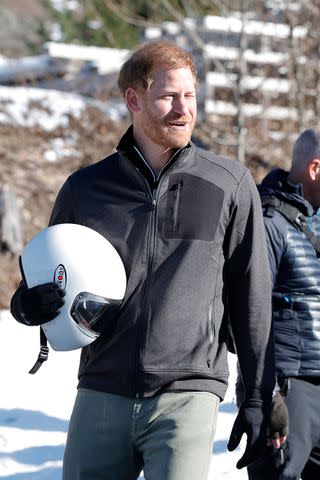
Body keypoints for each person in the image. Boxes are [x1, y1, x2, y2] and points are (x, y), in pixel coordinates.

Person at [10, 40, 275, 480]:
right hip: (101, 388)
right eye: (169, 96)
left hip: (187, 392)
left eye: (190, 95)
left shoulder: (229, 184)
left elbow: (253, 295)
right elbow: (45, 274)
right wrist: (27, 305)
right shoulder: (86, 189)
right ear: (133, 99)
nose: (183, 109)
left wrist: (259, 395)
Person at [239, 128, 320, 479]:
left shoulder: (314, 219)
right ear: (315, 168)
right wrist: (266, 397)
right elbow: (246, 316)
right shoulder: (268, 222)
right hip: (289, 389)